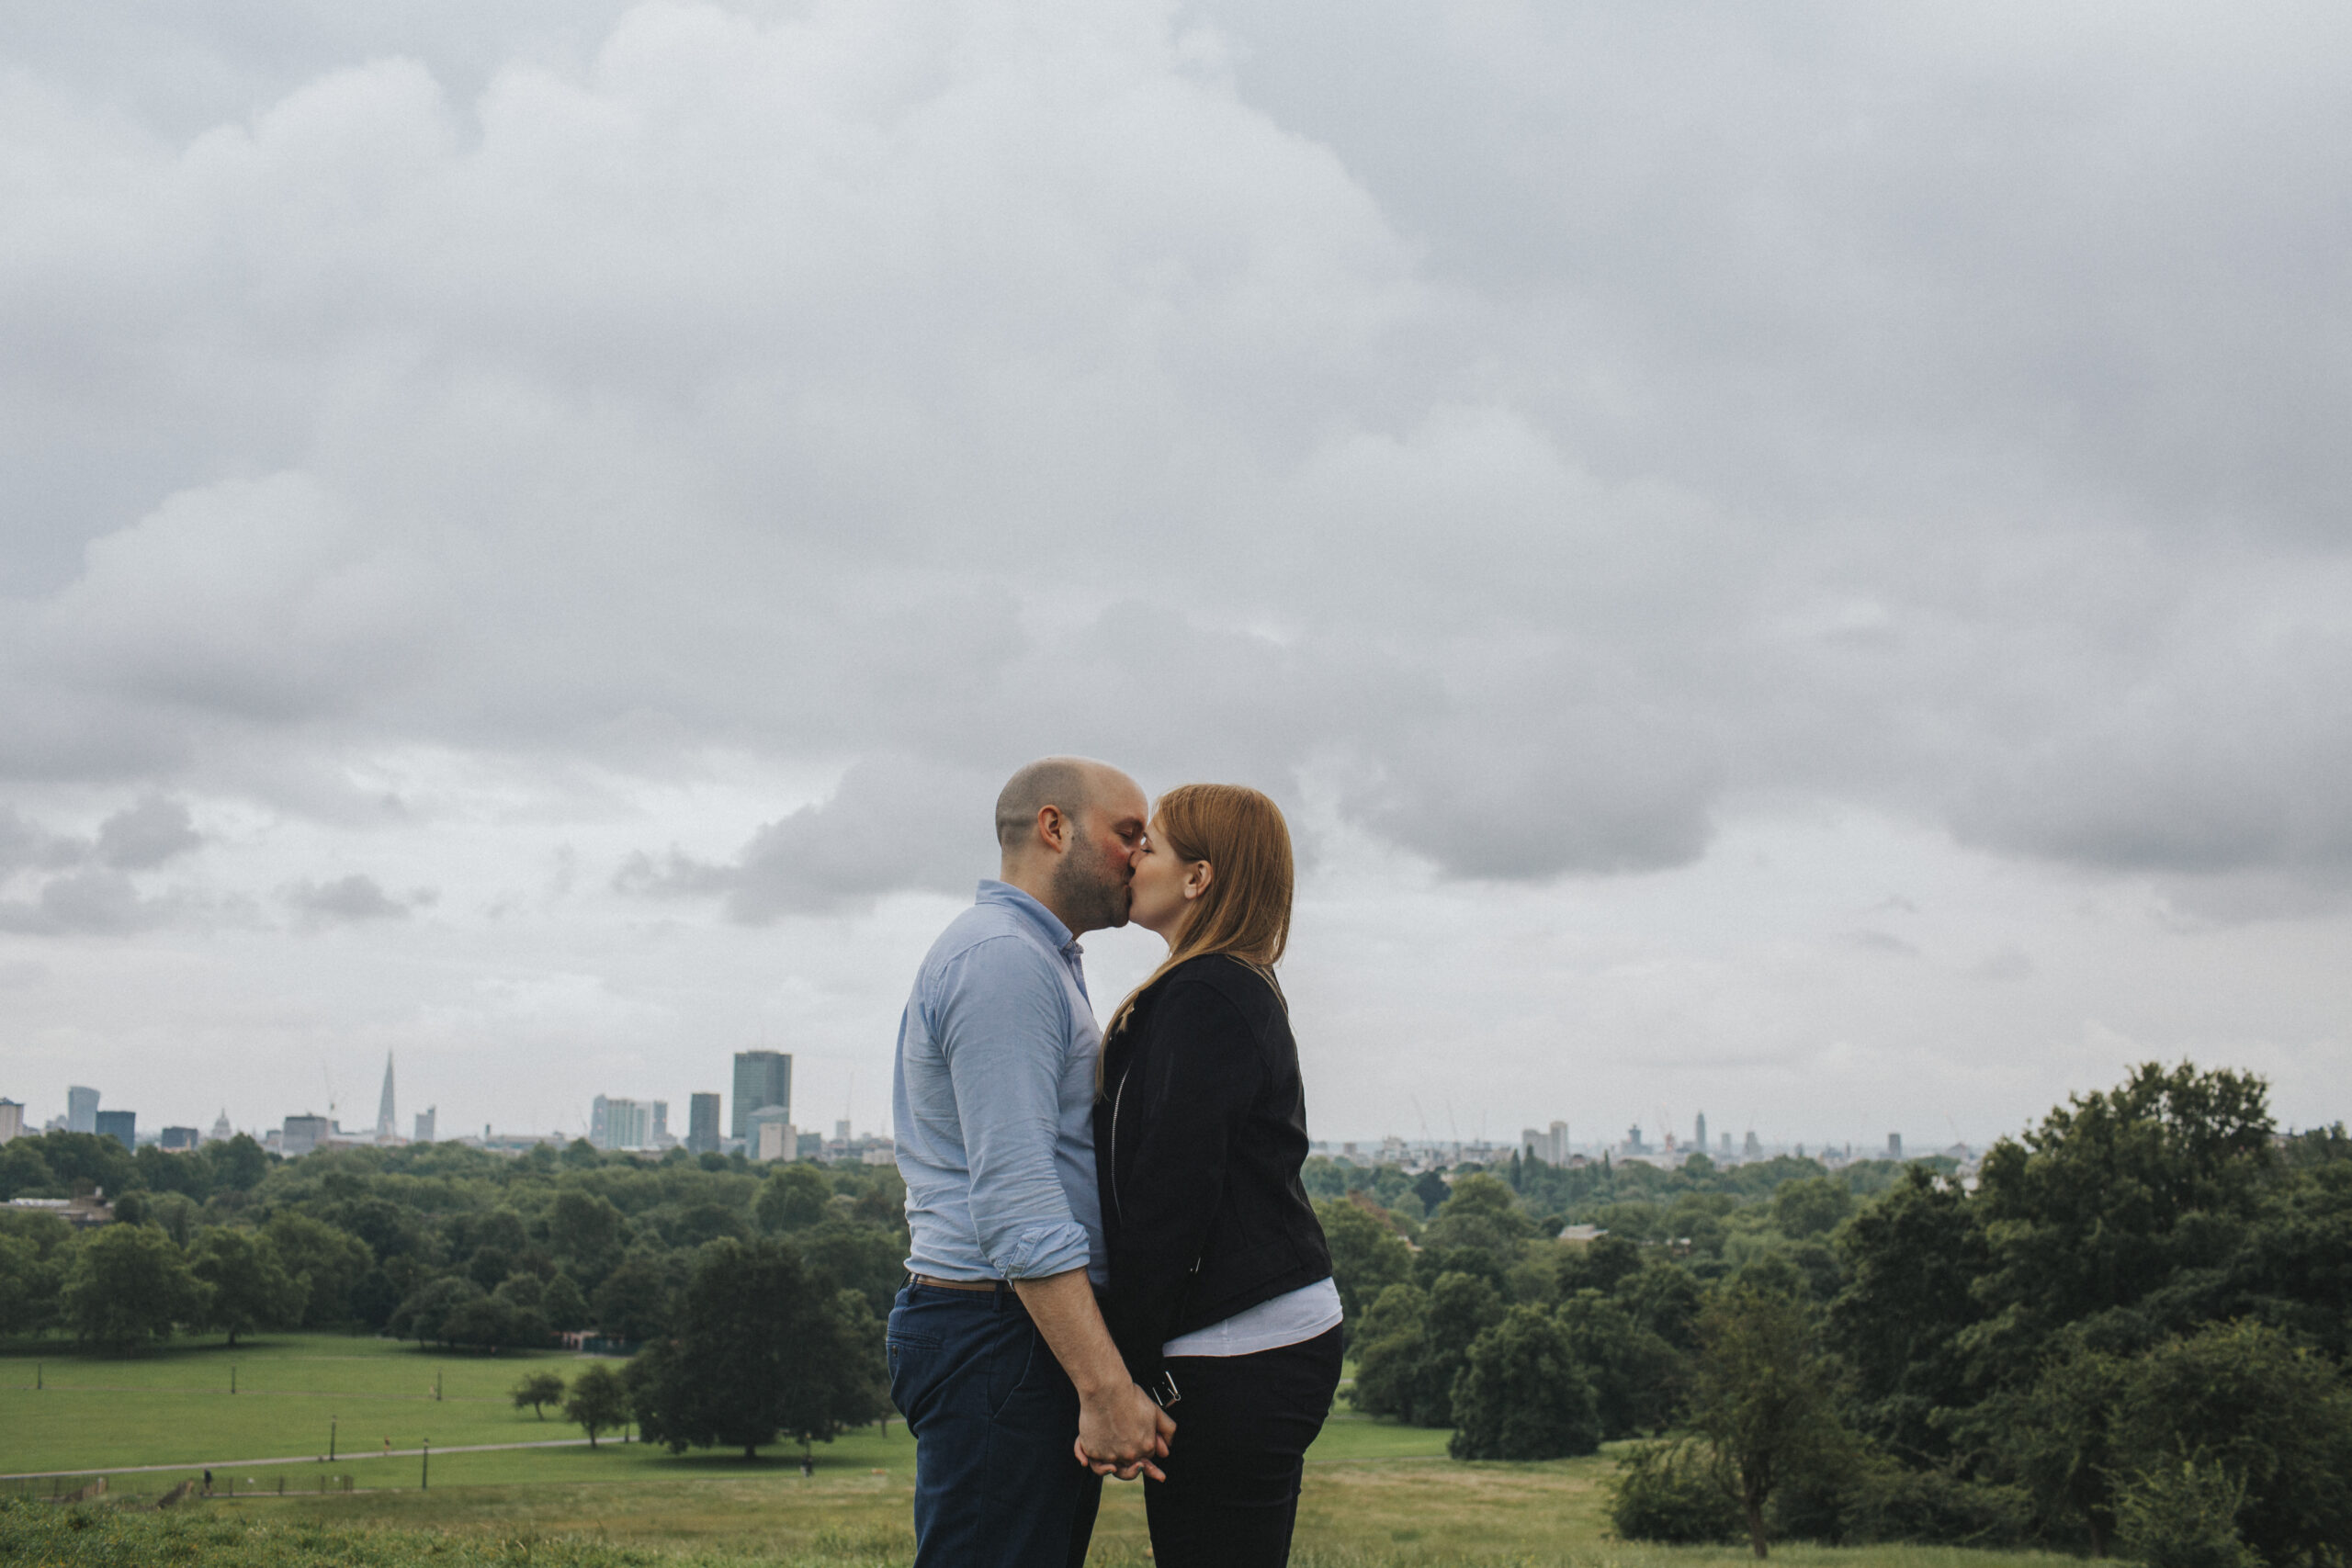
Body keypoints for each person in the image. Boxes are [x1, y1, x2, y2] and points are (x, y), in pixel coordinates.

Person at [887, 756, 1176, 1568]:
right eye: (1128, 832)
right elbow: (1017, 1197)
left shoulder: (1031, 956)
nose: (1141, 853)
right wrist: (1104, 1385)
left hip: (1006, 1329)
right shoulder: (1004, 961)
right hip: (998, 1335)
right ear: (1055, 827)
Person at [1093, 784, 1340, 1567]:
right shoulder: (1221, 982)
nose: (1134, 857)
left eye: (1152, 845)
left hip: (1242, 1349)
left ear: (1198, 878)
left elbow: (1171, 1198)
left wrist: (1119, 1376)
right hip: (1257, 1335)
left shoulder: (1207, 992)